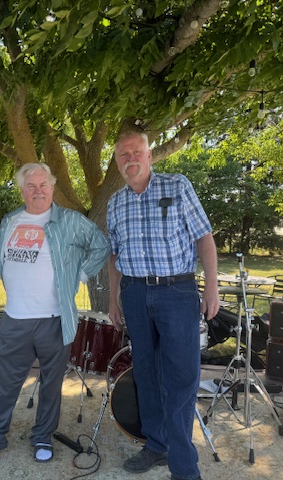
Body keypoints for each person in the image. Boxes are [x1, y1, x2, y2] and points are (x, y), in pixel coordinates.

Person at [0, 163, 111, 464]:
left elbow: (101, 245)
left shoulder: (71, 220)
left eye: (43, 185)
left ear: (52, 187)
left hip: (55, 320)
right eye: (31, 186)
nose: (38, 191)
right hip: (15, 318)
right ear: (22, 191)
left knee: (51, 384)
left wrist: (80, 275)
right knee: (3, 383)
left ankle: (42, 437)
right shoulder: (10, 221)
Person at [107, 131, 220, 480]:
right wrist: (113, 298)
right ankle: (157, 445)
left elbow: (204, 238)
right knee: (146, 373)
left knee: (182, 377)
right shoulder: (115, 202)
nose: (130, 158)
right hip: (135, 293)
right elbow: (114, 255)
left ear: (149, 155)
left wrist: (212, 287)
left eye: (136, 151)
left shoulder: (177, 185)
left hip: (177, 292)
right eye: (123, 154)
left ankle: (184, 467)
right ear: (117, 161)